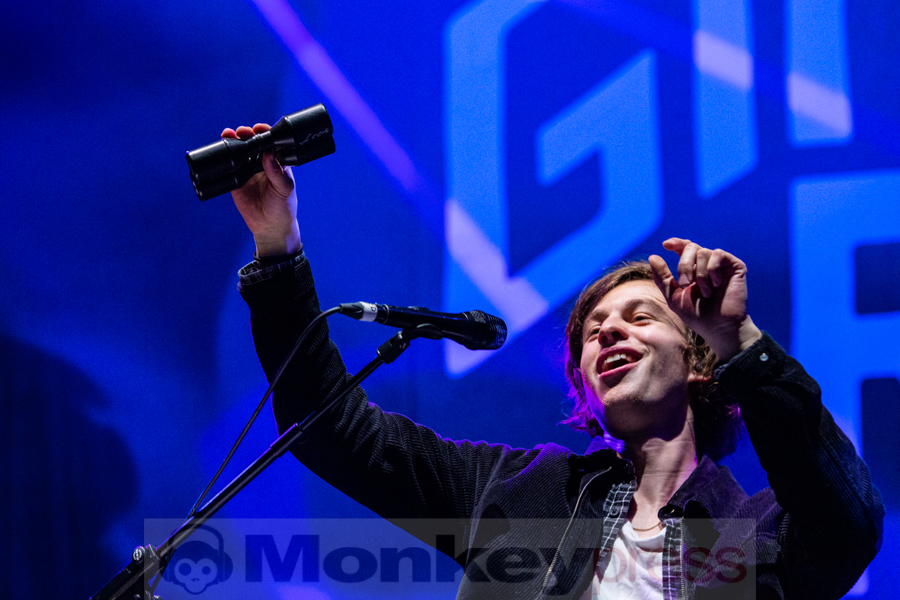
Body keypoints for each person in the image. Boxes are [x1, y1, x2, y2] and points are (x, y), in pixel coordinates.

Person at [225, 123, 883, 598]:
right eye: (593, 331)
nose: (609, 334)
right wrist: (276, 248)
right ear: (584, 388)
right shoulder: (511, 491)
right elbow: (330, 429)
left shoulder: (756, 530)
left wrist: (738, 340)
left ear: (697, 364)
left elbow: (848, 520)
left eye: (640, 317)